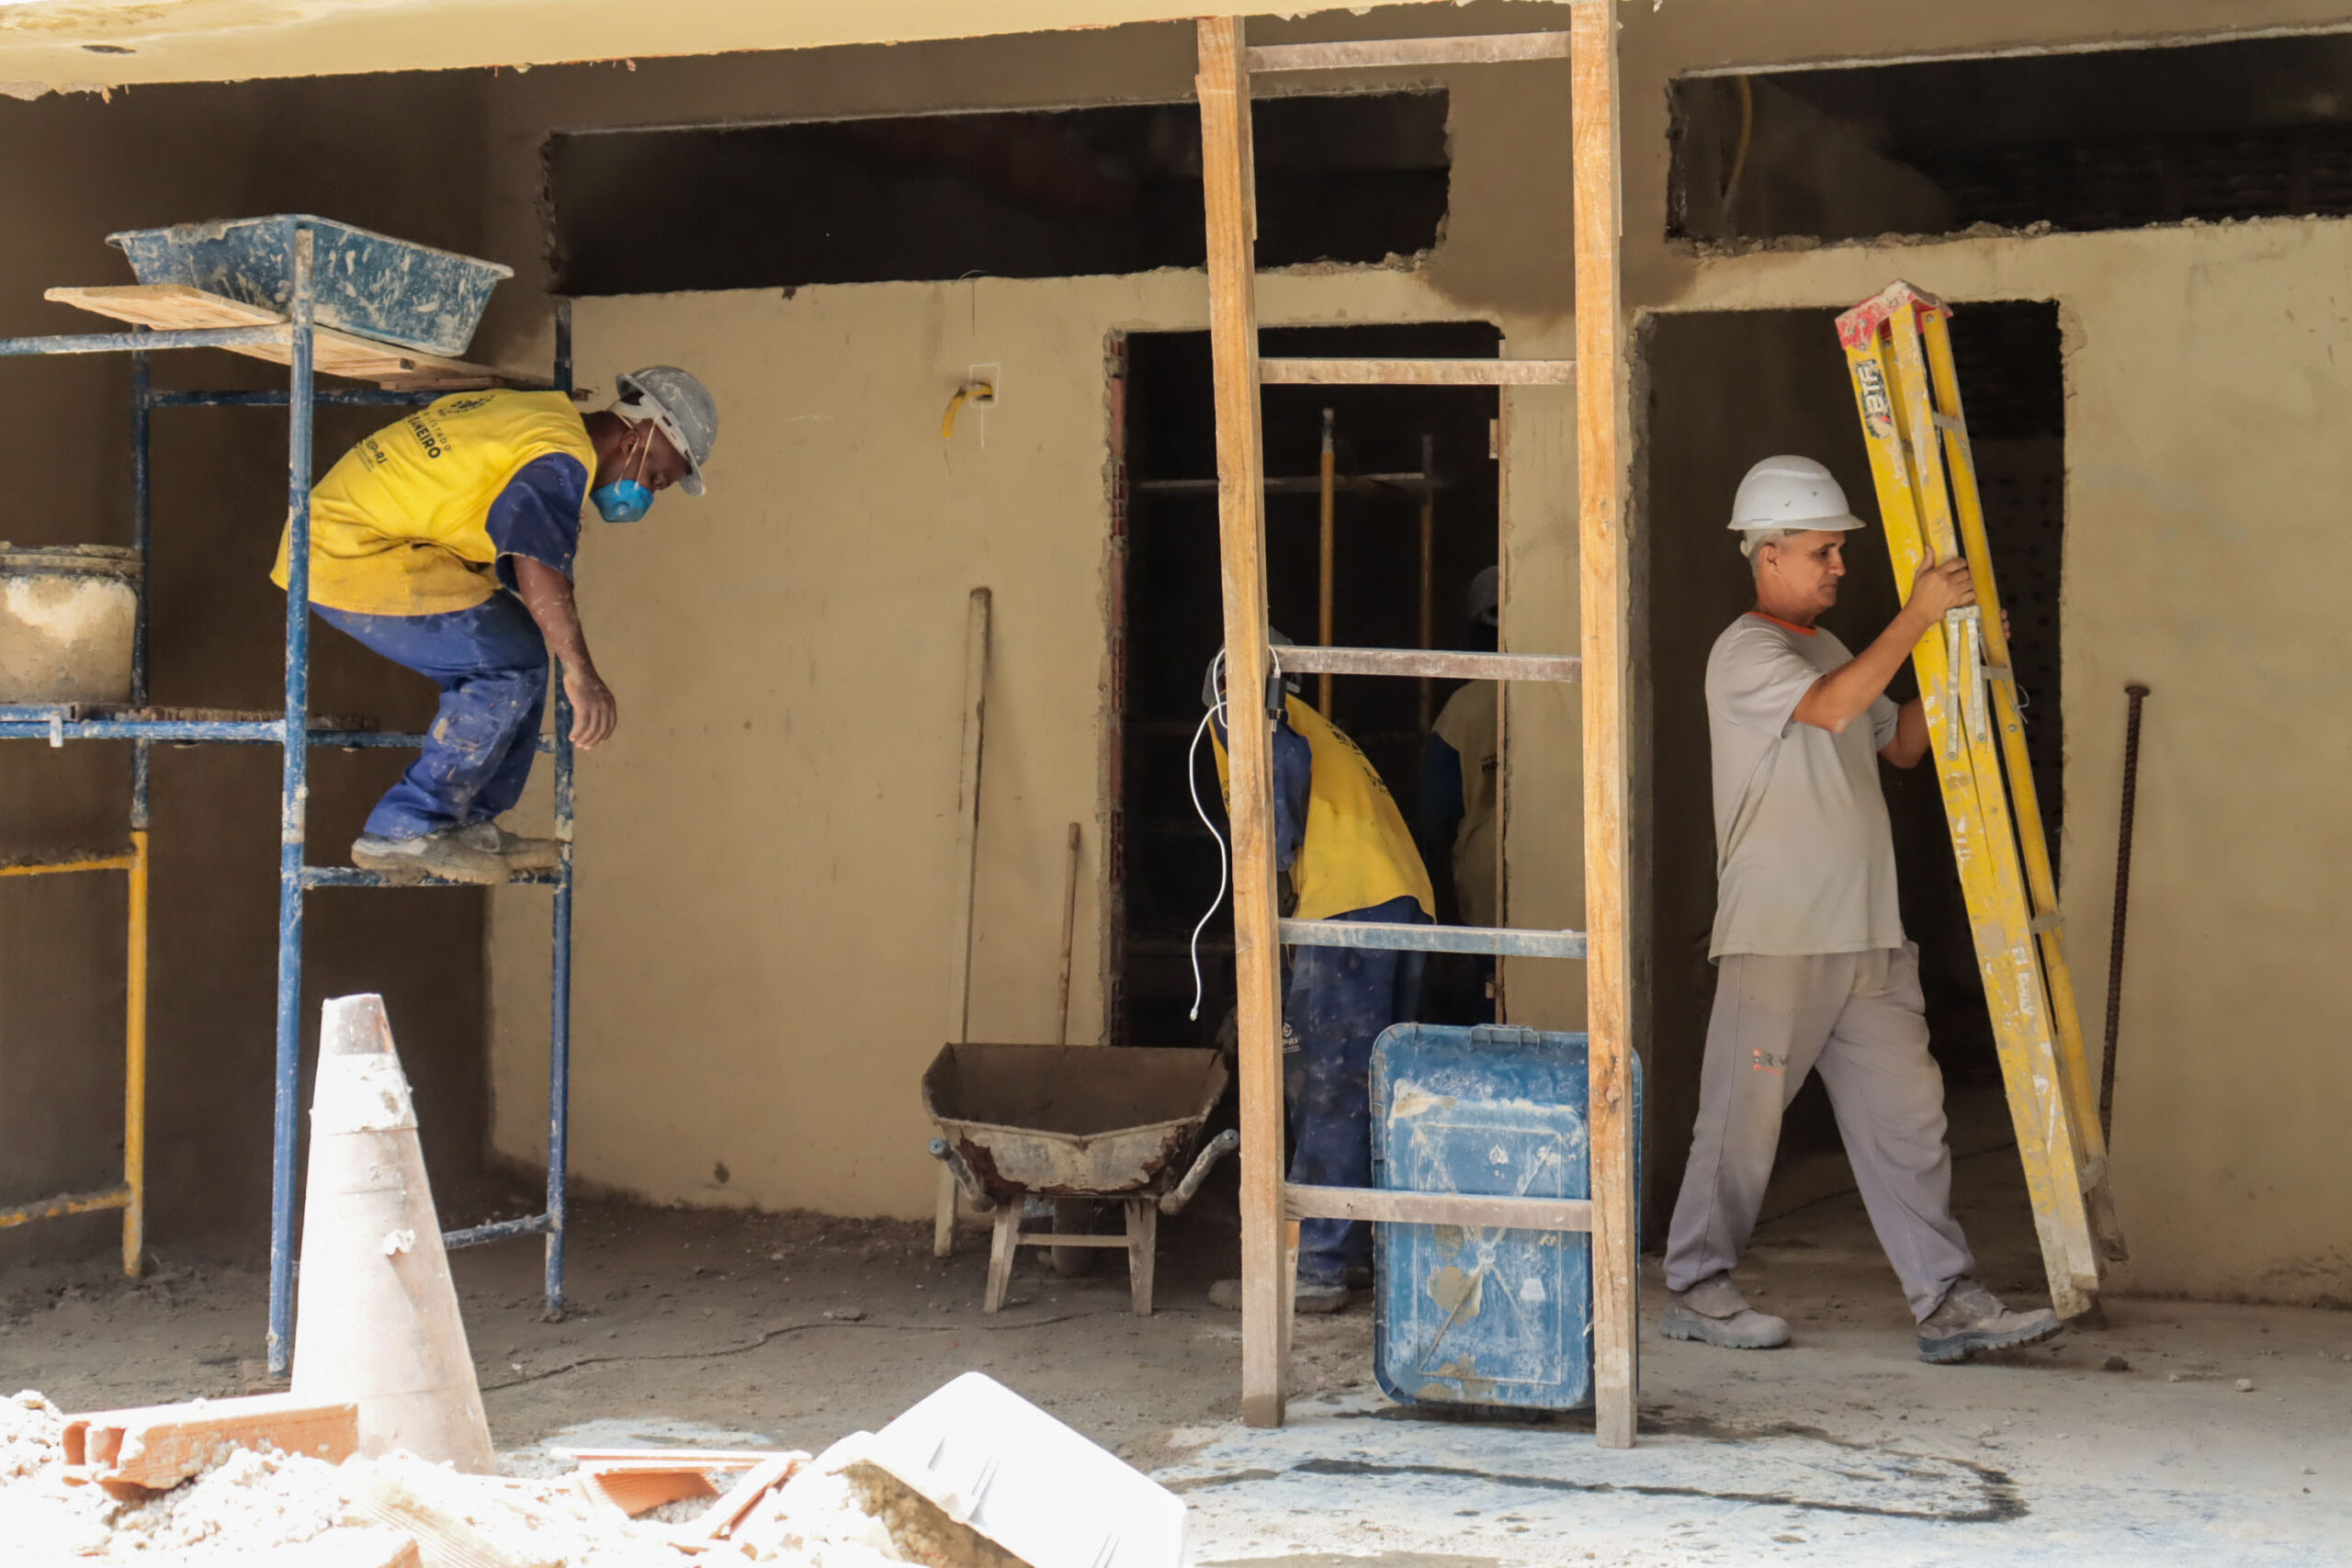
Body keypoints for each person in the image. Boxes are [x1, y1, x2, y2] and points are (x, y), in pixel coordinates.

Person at [1662, 454, 2063, 1365]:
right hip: (1780, 937)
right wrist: (1919, 619)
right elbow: (1837, 711)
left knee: (1909, 1125)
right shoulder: (1747, 652)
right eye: (1821, 552)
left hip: (1869, 938)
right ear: (1766, 556)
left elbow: (1901, 746)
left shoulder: (1836, 649)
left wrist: (1960, 661)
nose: (1837, 566)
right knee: (1740, 1124)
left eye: (1839, 551)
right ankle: (1694, 1284)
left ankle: (1948, 1302)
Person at [271, 369, 718, 883]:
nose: (649, 494)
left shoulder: (547, 420)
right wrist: (581, 672)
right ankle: (405, 827)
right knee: (510, 664)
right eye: (657, 478)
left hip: (353, 538)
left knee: (521, 652)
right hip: (346, 553)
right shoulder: (561, 454)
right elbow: (537, 567)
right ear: (636, 439)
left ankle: (467, 822)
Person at [1204, 635, 1435, 1313]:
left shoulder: (1241, 712)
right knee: (1375, 1084)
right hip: (1404, 898)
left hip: (1349, 905)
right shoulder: (1318, 724)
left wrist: (1269, 902)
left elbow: (1277, 792)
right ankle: (1355, 1248)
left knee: (1328, 1083)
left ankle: (1318, 1264)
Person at [1419, 567, 1500, 1018]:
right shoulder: (1555, 696)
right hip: (1557, 896)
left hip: (1481, 906)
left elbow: (1435, 819)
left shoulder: (1460, 713)